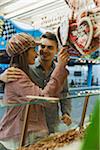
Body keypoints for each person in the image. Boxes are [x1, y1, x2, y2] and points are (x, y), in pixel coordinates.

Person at [0, 32, 70, 150]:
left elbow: (64, 93)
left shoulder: (22, 70)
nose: (38, 52)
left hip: (45, 126)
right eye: (38, 48)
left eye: (50, 47)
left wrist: (66, 112)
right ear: (24, 53)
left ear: (57, 50)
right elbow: (43, 97)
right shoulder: (18, 73)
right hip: (23, 133)